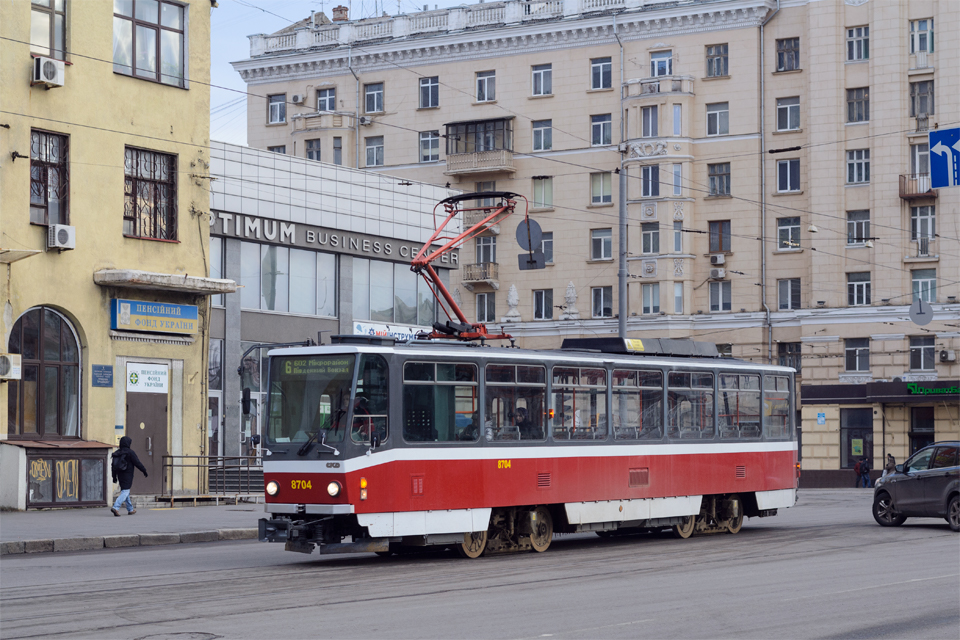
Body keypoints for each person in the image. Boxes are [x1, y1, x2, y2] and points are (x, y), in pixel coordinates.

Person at [110, 436, 148, 516]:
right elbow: (137, 463)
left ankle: (130, 509)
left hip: (120, 475)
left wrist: (114, 477)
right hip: (128, 475)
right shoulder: (130, 452)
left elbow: (113, 466)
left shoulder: (117, 453)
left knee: (126, 491)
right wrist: (144, 470)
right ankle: (116, 507)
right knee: (125, 491)